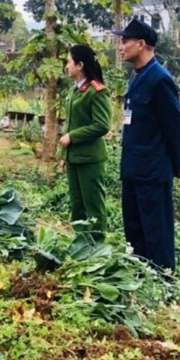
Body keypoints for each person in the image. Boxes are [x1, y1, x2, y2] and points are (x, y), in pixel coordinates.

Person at [113, 18, 180, 274]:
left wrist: (178, 166)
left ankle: (162, 279)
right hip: (133, 167)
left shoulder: (159, 79)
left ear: (141, 44)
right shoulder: (137, 76)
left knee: (156, 229)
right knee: (134, 227)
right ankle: (141, 274)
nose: (120, 47)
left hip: (153, 170)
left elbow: (175, 127)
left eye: (125, 41)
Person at [59, 44, 113, 240]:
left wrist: (72, 137)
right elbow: (71, 123)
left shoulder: (97, 91)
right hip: (74, 158)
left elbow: (102, 125)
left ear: (80, 64)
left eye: (68, 61)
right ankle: (82, 243)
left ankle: (97, 246)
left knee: (94, 206)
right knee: (77, 206)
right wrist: (65, 156)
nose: (66, 66)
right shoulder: (75, 90)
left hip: (90, 159)